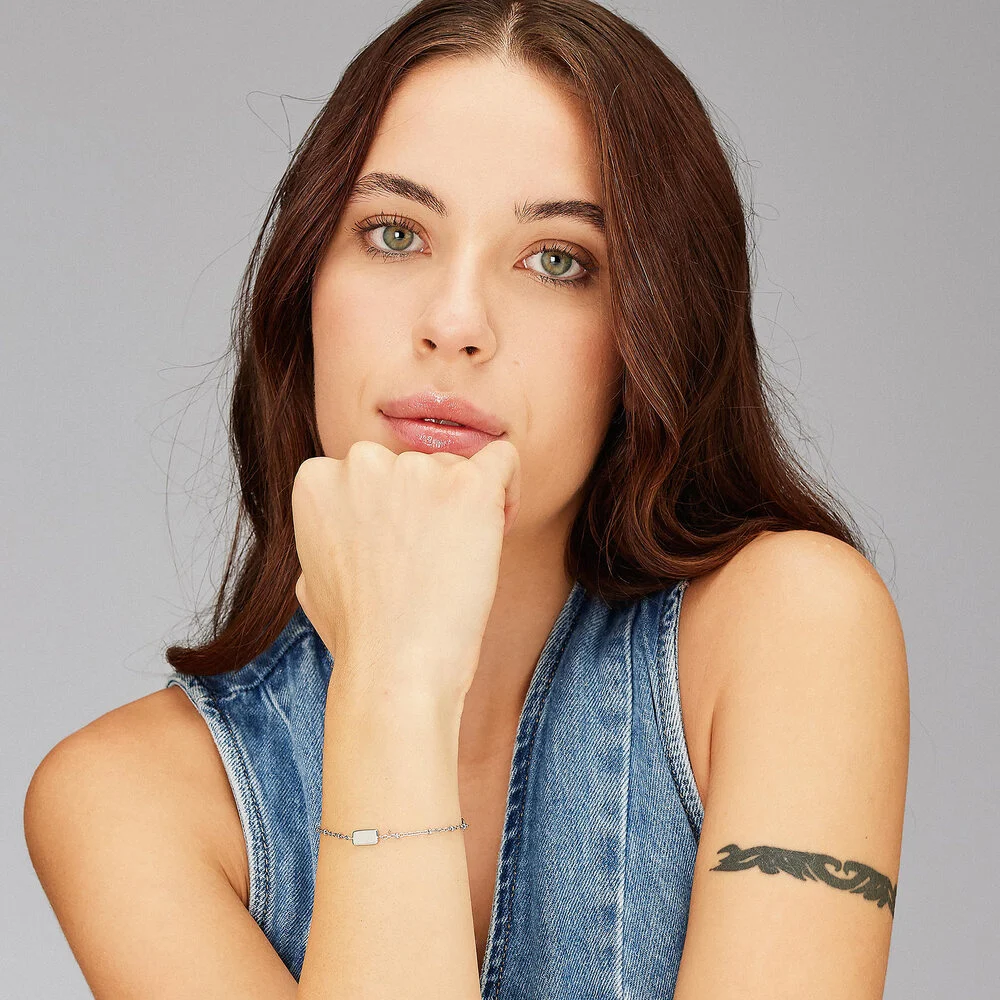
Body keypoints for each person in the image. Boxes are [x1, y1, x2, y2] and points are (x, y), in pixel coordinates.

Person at [23, 1, 909, 997]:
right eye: (395, 234)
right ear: (304, 288)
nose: (454, 322)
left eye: (557, 260)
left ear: (650, 335)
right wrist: (393, 687)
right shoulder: (125, 799)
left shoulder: (791, 626)